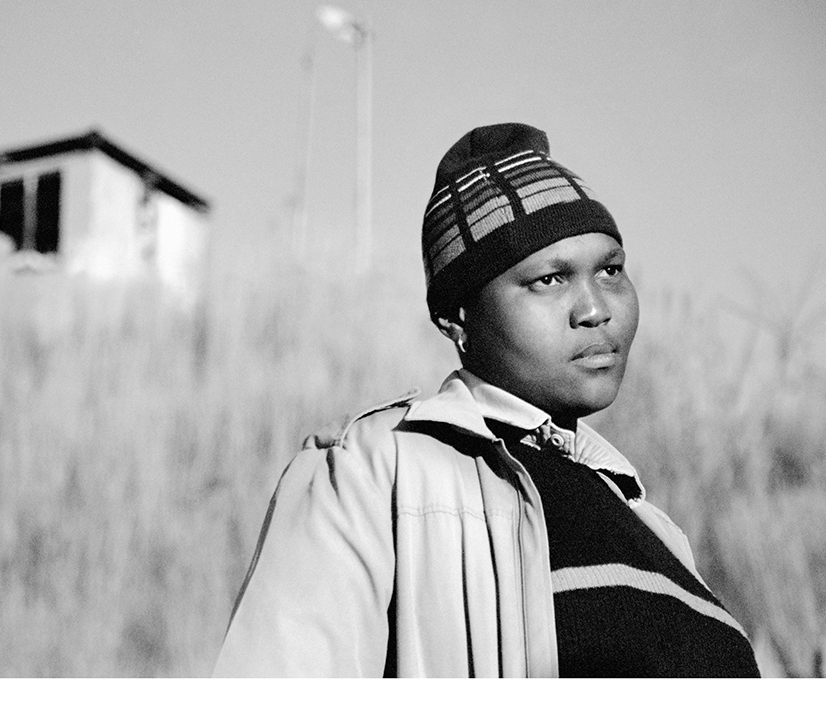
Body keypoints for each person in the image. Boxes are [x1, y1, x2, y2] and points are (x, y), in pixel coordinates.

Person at [213, 123, 761, 677]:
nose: (595, 309)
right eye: (549, 280)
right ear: (458, 318)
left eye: (611, 270)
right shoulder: (374, 475)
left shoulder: (655, 527)